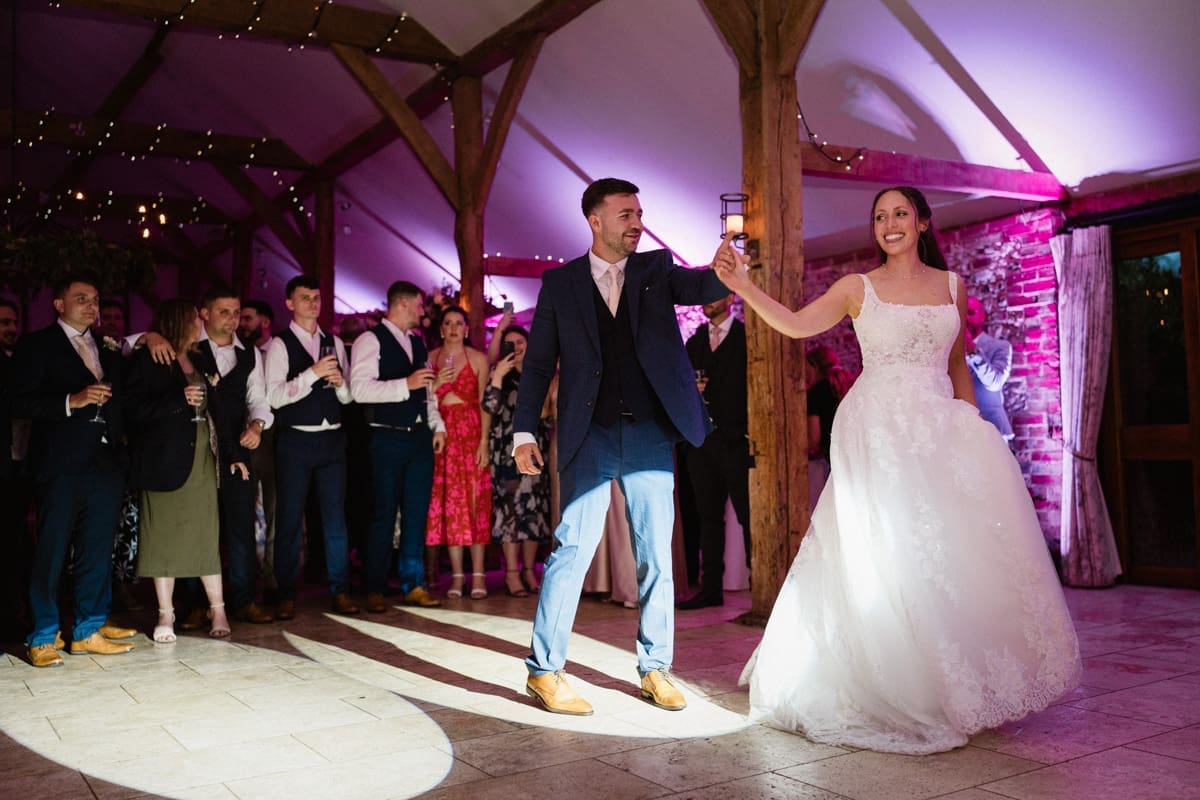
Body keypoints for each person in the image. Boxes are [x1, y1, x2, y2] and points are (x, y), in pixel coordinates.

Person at [714, 186, 1080, 754]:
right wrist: (743, 286)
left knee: (942, 551)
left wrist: (972, 427)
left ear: (922, 222)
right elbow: (796, 324)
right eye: (880, 216)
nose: (889, 224)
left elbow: (956, 365)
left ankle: (950, 679)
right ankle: (893, 681)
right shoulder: (856, 288)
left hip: (938, 430)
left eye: (900, 214)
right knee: (883, 548)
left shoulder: (952, 286)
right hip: (876, 429)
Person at [513, 177, 729, 715]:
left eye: (639, 213)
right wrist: (523, 433)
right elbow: (537, 365)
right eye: (626, 214)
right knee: (571, 550)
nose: (637, 223)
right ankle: (544, 672)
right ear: (596, 220)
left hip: (651, 434)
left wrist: (726, 268)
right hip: (590, 435)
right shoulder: (560, 283)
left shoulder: (656, 270)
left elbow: (700, 285)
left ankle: (656, 668)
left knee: (656, 555)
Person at [10, 275, 137, 666]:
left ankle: (87, 629)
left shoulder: (107, 346)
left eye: (95, 299)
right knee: (51, 551)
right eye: (81, 298)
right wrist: (71, 400)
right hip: (59, 464)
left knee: (97, 549)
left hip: (105, 464)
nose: (91, 306)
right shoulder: (36, 345)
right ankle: (43, 634)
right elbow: (17, 401)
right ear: (59, 305)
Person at [125, 299, 242, 641]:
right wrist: (179, 400)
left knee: (206, 533)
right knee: (162, 536)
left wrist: (232, 454)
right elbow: (132, 410)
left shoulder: (201, 358)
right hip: (163, 459)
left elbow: (219, 412)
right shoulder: (149, 358)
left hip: (203, 458)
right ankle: (166, 614)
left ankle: (217, 609)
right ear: (179, 321)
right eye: (194, 318)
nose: (199, 323)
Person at [264, 276, 359, 619]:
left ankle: (340, 590)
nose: (313, 303)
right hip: (295, 440)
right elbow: (274, 397)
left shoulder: (334, 342)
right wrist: (312, 374)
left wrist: (340, 383)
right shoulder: (279, 345)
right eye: (305, 298)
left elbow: (348, 398)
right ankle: (286, 593)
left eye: (316, 297)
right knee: (290, 519)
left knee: (335, 520)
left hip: (332, 439)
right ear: (290, 303)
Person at [348, 280, 445, 611]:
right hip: (386, 436)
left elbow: (426, 391)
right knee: (383, 512)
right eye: (419, 305)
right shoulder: (370, 340)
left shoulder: (417, 342)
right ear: (403, 304)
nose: (422, 311)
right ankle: (374, 587)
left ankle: (413, 583)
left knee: (416, 513)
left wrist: (437, 425)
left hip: (419, 437)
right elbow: (359, 389)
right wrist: (405, 384)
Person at [194, 287, 275, 624]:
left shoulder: (250, 354)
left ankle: (243, 600)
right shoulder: (189, 347)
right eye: (223, 311)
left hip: (237, 450)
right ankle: (195, 603)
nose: (232, 319)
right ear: (204, 314)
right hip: (196, 448)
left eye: (236, 312)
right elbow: (131, 342)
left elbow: (259, 400)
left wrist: (257, 426)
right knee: (198, 527)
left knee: (241, 525)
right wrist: (151, 337)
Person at [677, 294, 750, 610]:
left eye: (714, 293)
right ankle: (711, 589)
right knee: (708, 518)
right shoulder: (694, 342)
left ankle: (762, 586)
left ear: (731, 296)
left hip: (737, 441)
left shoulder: (745, 338)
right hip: (702, 443)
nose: (706, 300)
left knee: (748, 515)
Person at [426, 306, 492, 600]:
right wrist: (435, 386)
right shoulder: (430, 358)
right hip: (442, 438)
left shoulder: (478, 359)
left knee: (476, 504)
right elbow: (421, 400)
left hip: (471, 434)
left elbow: (485, 403)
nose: (453, 328)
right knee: (450, 506)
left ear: (466, 329)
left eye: (458, 323)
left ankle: (478, 574)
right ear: (441, 329)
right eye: (448, 323)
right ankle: (456, 575)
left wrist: (484, 442)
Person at [482, 324, 552, 597]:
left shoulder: (538, 374)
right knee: (509, 511)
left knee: (534, 509)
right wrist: (498, 376)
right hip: (505, 450)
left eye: (520, 342)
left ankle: (529, 570)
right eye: (510, 344)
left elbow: (548, 413)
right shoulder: (499, 374)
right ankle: (511, 572)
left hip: (536, 448)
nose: (517, 348)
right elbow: (488, 407)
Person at [804, 344, 854, 506]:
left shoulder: (814, 393)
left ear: (814, 366)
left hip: (833, 455)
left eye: (806, 365)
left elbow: (814, 438)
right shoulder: (850, 383)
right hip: (856, 450)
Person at [964, 297, 1015, 441]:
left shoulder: (1000, 347)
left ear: (982, 316)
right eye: (962, 313)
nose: (965, 318)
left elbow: (995, 383)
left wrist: (973, 352)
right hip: (961, 430)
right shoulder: (950, 348)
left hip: (992, 427)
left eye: (971, 313)